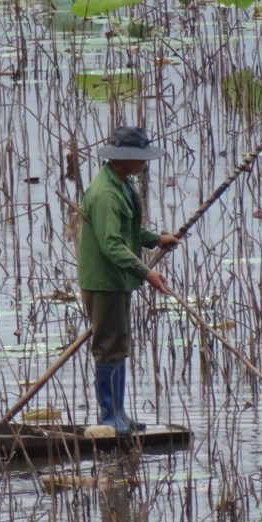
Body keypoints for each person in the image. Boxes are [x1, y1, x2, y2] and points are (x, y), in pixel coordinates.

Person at [77, 125, 180, 433]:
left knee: (119, 344)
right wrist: (146, 272)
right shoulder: (106, 193)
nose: (144, 162)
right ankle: (109, 418)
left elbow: (128, 231)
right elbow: (110, 244)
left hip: (119, 279)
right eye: (140, 157)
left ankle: (119, 414)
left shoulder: (123, 184)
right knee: (108, 346)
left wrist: (156, 239)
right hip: (104, 280)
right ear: (125, 159)